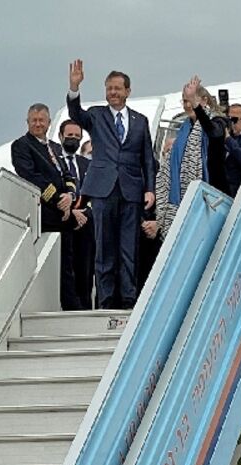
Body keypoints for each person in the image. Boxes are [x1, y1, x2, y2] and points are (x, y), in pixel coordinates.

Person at [67, 60, 157, 310]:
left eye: (117, 88)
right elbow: (76, 114)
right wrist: (74, 88)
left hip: (131, 190)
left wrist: (149, 188)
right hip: (103, 189)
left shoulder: (140, 121)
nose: (113, 93)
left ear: (128, 91)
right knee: (104, 248)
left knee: (129, 247)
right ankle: (106, 300)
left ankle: (128, 298)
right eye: (109, 88)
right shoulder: (96, 115)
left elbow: (147, 158)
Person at [146, 76, 230, 242]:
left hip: (212, 198)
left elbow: (214, 133)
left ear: (204, 101)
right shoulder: (184, 130)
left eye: (191, 100)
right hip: (182, 201)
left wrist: (197, 107)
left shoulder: (218, 121)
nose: (187, 105)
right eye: (184, 101)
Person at [10, 103, 74, 235]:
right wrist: (59, 200)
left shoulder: (56, 148)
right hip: (43, 214)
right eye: (34, 120)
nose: (38, 124)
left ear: (49, 123)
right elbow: (30, 176)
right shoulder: (22, 146)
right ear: (28, 122)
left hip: (64, 213)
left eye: (41, 120)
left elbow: (68, 175)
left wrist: (70, 196)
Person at [51, 119, 94, 310]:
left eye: (77, 137)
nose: (73, 140)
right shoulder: (54, 162)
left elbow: (92, 190)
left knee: (85, 270)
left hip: (86, 222)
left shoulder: (86, 164)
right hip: (65, 220)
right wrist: (73, 211)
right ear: (60, 136)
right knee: (66, 270)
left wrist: (84, 210)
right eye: (70, 136)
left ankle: (85, 308)